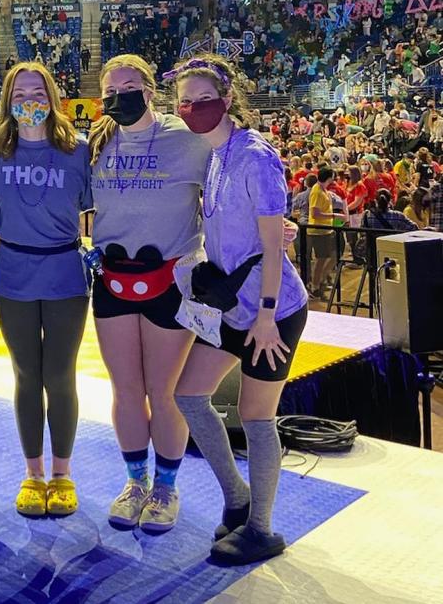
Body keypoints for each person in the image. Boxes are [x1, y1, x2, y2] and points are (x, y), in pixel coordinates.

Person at [169, 54, 309, 566]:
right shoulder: (208, 154)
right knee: (189, 395)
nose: (192, 109)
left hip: (273, 311)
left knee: (256, 417)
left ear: (227, 100)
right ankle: (236, 496)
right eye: (185, 101)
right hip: (230, 307)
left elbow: (274, 248)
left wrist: (268, 316)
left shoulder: (255, 155)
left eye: (203, 100)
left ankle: (262, 529)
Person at [88, 53, 209, 533]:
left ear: (151, 87)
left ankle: (166, 487)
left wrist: (271, 225)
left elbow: (230, 186)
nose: (123, 94)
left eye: (132, 84)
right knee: (126, 389)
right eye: (112, 88)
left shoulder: (189, 139)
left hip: (171, 280)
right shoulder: (95, 143)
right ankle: (135, 482)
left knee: (164, 391)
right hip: (112, 280)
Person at [0, 62, 91, 517]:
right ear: (8, 100)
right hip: (12, 271)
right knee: (26, 375)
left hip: (66, 272)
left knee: (60, 375)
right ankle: (32, 473)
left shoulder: (80, 151)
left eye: (38, 91)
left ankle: (62, 475)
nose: (30, 100)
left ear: (52, 96)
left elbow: (99, 208)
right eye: (20, 92)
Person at [308, 167, 346, 297]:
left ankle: (321, 280)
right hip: (319, 230)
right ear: (329, 177)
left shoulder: (323, 190)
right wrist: (334, 216)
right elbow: (315, 213)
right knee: (321, 259)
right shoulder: (317, 191)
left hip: (326, 229)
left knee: (334, 255)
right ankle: (315, 285)